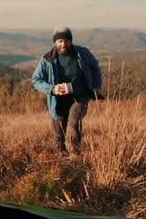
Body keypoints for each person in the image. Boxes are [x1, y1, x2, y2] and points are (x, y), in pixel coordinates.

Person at [32, 26, 103, 154]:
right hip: (58, 100)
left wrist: (96, 86)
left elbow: (95, 67)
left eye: (66, 41)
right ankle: (61, 156)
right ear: (55, 42)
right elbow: (36, 80)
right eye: (60, 41)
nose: (63, 44)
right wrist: (52, 89)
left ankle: (76, 152)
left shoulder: (83, 53)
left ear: (70, 41)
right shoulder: (47, 59)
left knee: (74, 121)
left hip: (80, 96)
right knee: (59, 130)